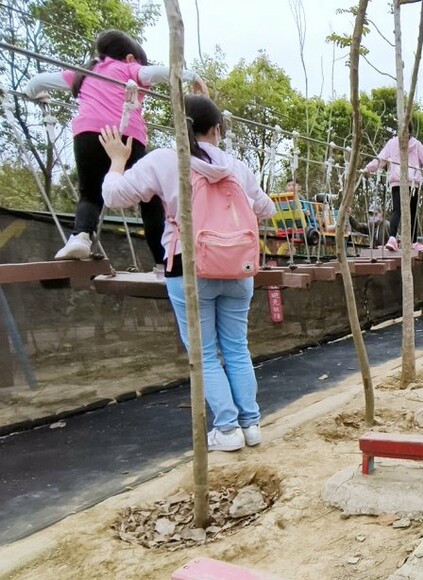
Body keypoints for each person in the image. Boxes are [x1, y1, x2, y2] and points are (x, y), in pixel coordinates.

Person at [100, 95, 276, 452]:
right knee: (237, 348)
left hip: (189, 265)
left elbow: (114, 196)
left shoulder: (166, 160)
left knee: (205, 353)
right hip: (237, 268)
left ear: (179, 127)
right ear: (217, 130)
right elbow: (267, 209)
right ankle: (250, 425)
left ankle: (227, 430)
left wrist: (117, 161)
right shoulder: (237, 167)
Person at [24, 29, 207, 263]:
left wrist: (33, 94)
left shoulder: (82, 73)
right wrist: (192, 77)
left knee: (90, 194)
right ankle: (162, 262)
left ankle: (80, 237)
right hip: (126, 136)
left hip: (88, 135)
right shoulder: (129, 68)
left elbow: (37, 82)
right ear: (130, 58)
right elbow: (157, 72)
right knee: (150, 198)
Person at [363, 122, 423, 250]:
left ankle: (393, 238)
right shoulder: (416, 144)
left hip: (398, 182)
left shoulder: (392, 143)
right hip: (411, 183)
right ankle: (412, 241)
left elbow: (380, 159)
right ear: (411, 132)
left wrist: (368, 168)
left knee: (398, 210)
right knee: (412, 212)